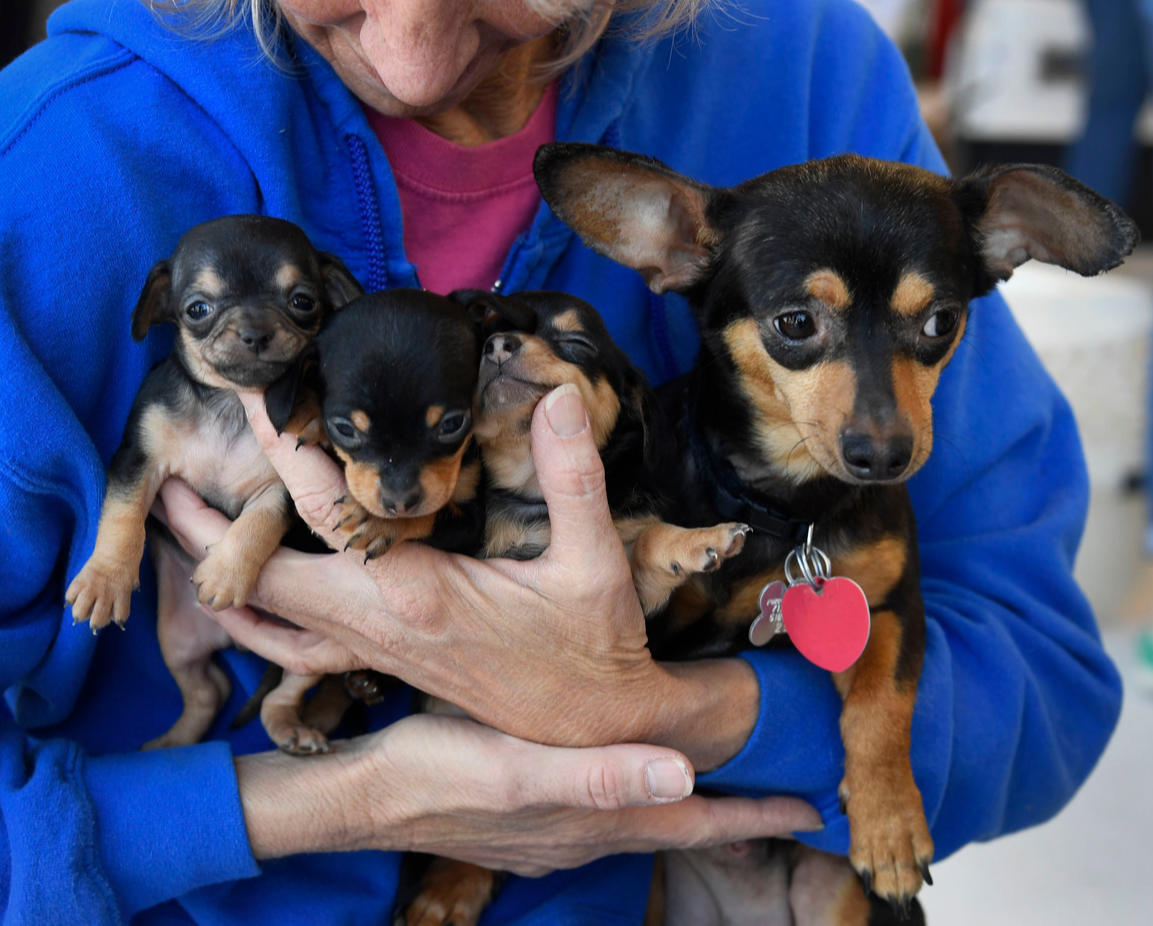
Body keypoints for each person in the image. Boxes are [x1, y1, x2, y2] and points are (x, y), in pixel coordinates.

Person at [0, 0, 1123, 922]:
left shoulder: (809, 70)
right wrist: (346, 798)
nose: (412, 55)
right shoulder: (56, 163)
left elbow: (1043, 684)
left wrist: (670, 713)